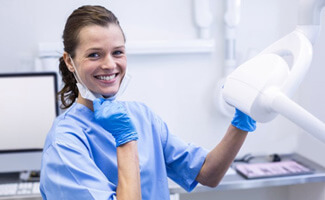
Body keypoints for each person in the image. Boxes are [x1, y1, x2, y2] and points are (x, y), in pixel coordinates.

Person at [40, 5, 256, 200]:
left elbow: (208, 173)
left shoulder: (141, 116)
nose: (110, 64)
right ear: (70, 61)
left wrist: (242, 121)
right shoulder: (64, 142)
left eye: (117, 52)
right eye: (94, 55)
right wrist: (126, 140)